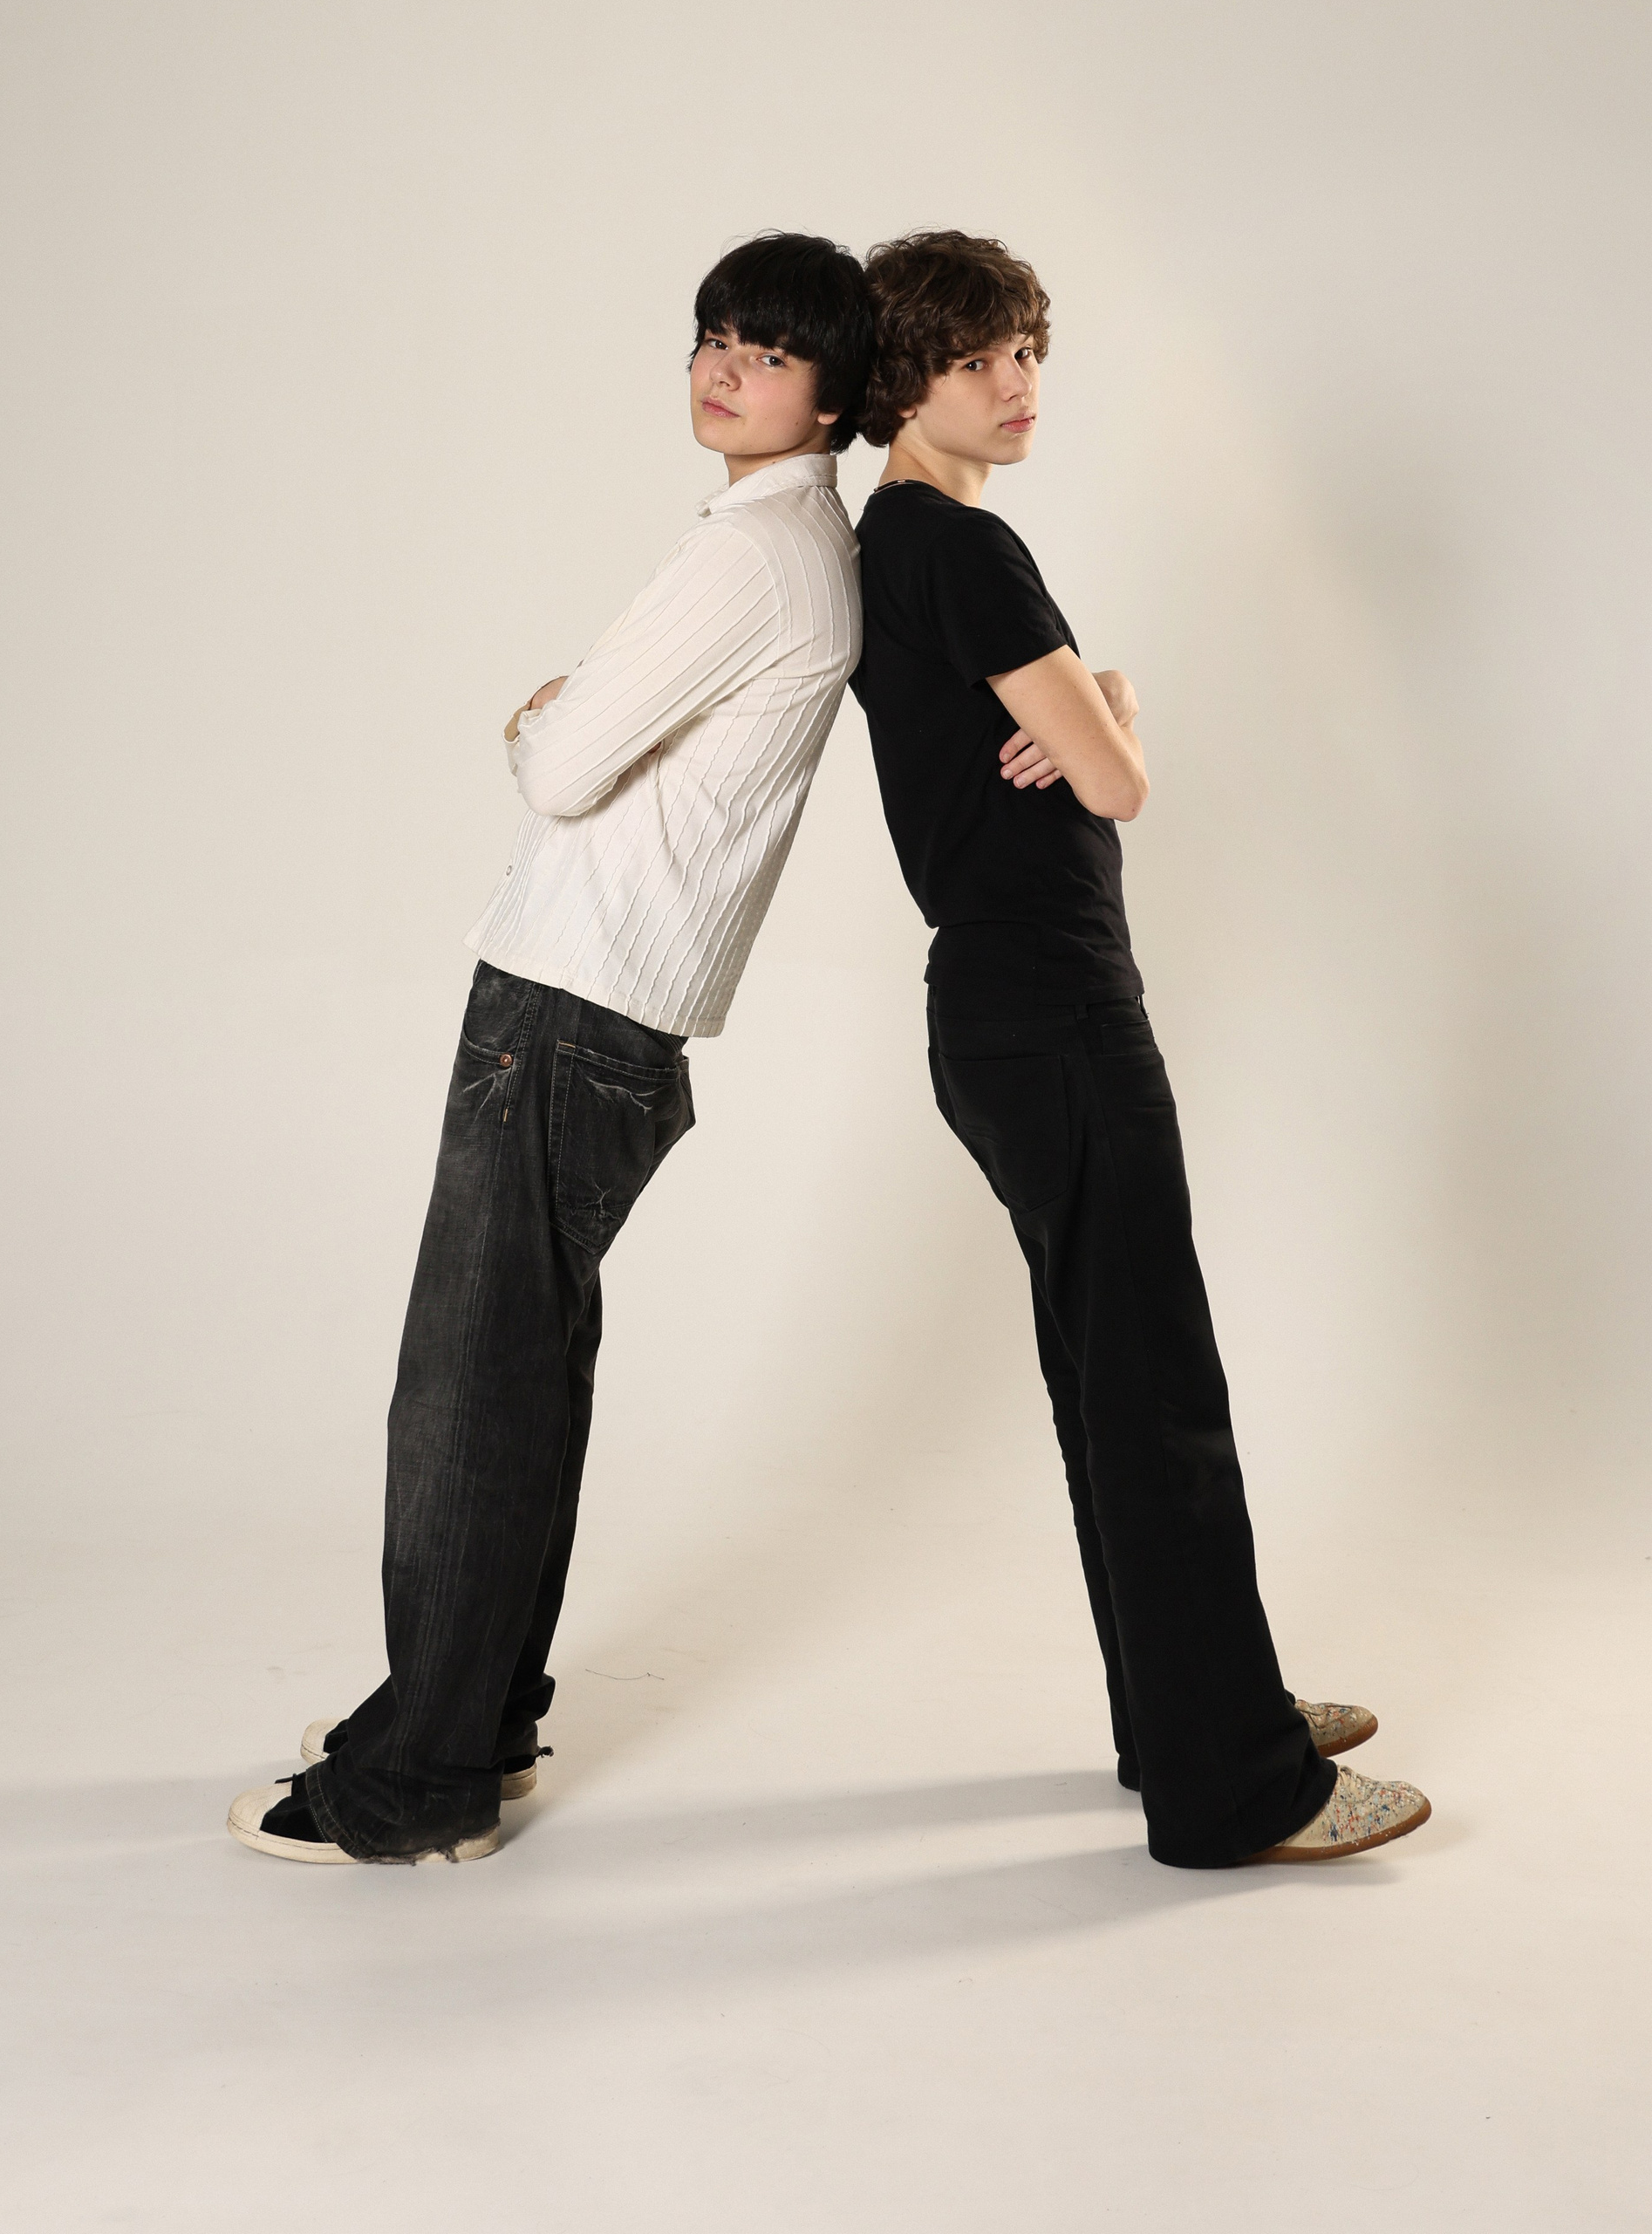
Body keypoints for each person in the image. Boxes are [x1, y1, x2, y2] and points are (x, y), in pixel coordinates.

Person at [229, 232, 873, 1863]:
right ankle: (476, 1713)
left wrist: (542, 712)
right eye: (713, 336)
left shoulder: (751, 556)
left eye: (769, 351)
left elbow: (566, 765)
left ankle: (421, 1779)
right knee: (520, 1374)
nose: (724, 368)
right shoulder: (796, 543)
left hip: (567, 1000)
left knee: (468, 1392)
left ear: (832, 396)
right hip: (609, 1007)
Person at [850, 229, 1429, 1867]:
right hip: (1053, 1012)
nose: (1019, 384)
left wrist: (1093, 693)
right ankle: (1236, 1783)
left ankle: (1181, 1718)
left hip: (1002, 1014)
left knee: (1112, 1385)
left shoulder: (898, 544)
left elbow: (1076, 741)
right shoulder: (965, 549)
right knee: (1154, 1389)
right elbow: (1116, 783)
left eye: (1029, 350)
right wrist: (1110, 713)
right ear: (908, 377)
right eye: (979, 359)